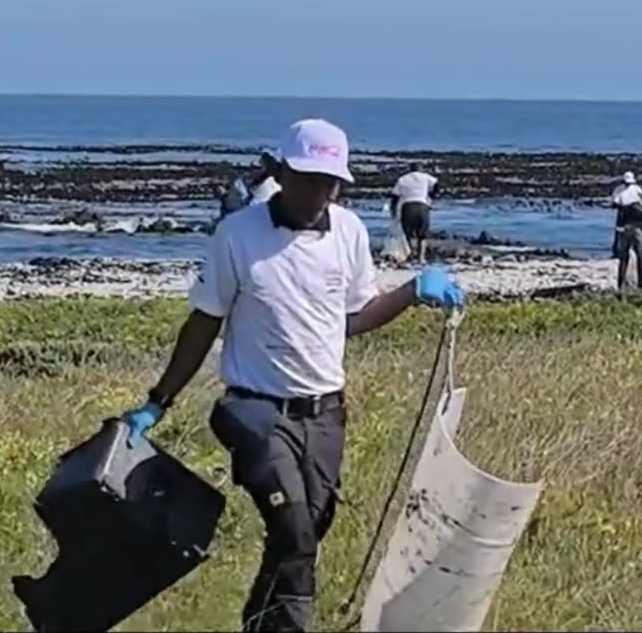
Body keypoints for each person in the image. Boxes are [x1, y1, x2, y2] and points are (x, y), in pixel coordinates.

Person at [117, 119, 465, 633]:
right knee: (295, 531)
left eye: (331, 182)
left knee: (304, 534)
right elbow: (204, 321)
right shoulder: (237, 235)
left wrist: (413, 291)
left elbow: (354, 317)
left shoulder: (348, 231)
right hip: (253, 412)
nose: (320, 192)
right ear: (281, 172)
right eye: (308, 178)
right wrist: (157, 401)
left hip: (324, 414)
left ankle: (260, 626)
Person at [610, 172, 642, 291]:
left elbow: (614, 204)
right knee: (639, 255)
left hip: (625, 227)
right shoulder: (635, 189)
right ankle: (639, 284)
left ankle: (625, 284)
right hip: (634, 228)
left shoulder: (619, 190)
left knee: (625, 257)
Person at [389, 162, 439, 265]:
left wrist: (393, 210)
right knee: (422, 234)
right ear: (421, 169)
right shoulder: (426, 177)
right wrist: (432, 197)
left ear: (410, 169)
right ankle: (421, 258)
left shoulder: (402, 179)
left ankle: (411, 255)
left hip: (408, 206)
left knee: (409, 233)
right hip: (422, 205)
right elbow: (436, 185)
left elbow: (395, 196)